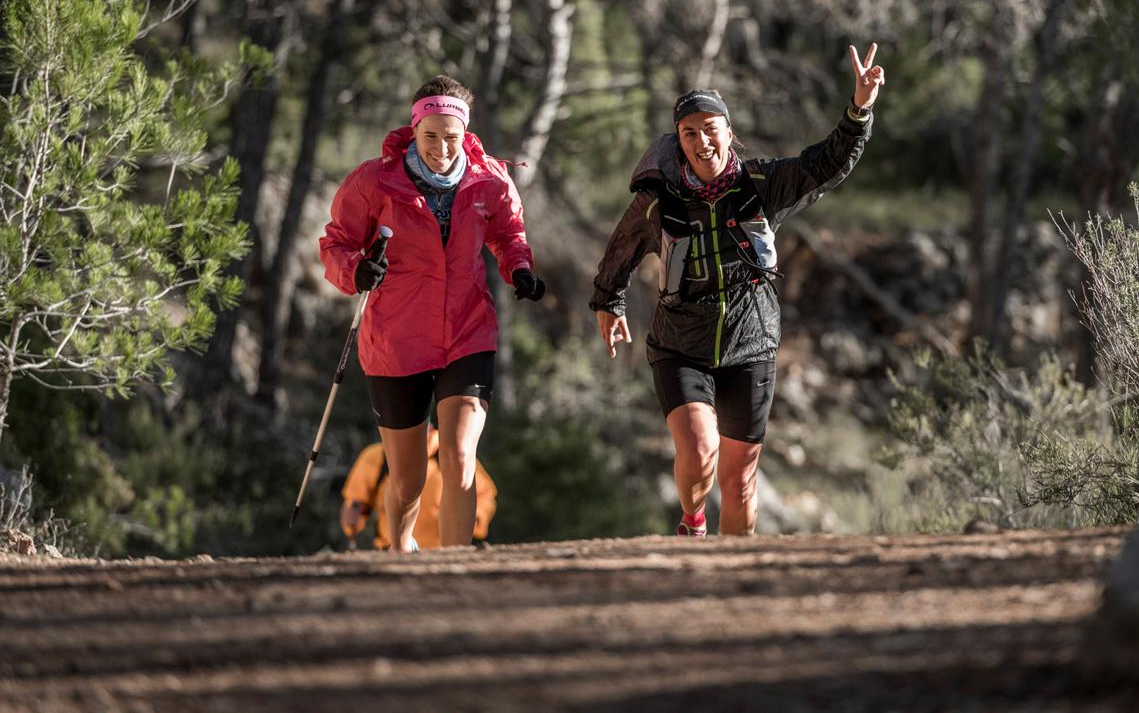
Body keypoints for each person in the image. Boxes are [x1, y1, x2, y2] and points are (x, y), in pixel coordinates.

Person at [590, 43, 884, 536]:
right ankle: (692, 520)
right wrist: (608, 301)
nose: (702, 141)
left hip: (752, 342)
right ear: (678, 140)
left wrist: (859, 109)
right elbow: (621, 249)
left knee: (741, 481)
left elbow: (828, 163)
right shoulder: (657, 199)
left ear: (729, 132)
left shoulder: (761, 184)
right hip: (681, 342)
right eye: (689, 133)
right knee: (700, 449)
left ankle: (731, 583)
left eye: (711, 129)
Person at [320, 75, 544, 552]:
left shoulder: (487, 180)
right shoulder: (374, 181)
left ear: (466, 133)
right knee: (407, 482)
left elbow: (508, 234)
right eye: (431, 136)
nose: (442, 148)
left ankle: (456, 569)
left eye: (452, 137)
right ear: (415, 128)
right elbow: (336, 243)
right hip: (396, 345)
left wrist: (519, 269)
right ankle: (400, 554)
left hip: (467, 333)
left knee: (461, 456)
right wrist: (355, 271)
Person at [340, 424, 499, 549]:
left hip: (441, 552)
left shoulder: (453, 456)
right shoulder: (377, 456)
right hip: (392, 550)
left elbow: (485, 493)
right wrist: (353, 518)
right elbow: (356, 500)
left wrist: (476, 517)